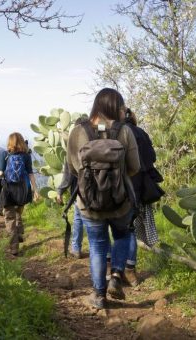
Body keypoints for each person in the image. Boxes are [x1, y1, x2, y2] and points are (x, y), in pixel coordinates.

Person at [67, 88, 140, 309]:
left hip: (89, 204)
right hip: (120, 201)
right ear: (114, 107)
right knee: (122, 236)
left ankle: (99, 295)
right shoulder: (124, 131)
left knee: (98, 246)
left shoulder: (78, 131)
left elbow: (72, 168)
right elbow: (135, 167)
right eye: (121, 107)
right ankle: (116, 275)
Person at [122, 108, 161, 286]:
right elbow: (152, 157)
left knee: (115, 229)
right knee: (129, 229)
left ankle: (114, 271)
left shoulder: (116, 132)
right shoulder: (142, 133)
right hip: (139, 189)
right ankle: (131, 272)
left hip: (120, 188)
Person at [0, 132, 39, 256]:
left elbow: (0, 173)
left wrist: (2, 173)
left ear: (9, 142)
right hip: (23, 189)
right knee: (18, 212)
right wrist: (35, 189)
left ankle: (14, 247)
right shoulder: (26, 156)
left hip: (9, 190)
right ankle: (19, 231)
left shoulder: (5, 154)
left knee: (9, 217)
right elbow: (31, 173)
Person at [57, 161, 84, 259]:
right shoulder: (98, 146)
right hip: (100, 193)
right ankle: (106, 252)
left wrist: (59, 191)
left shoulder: (74, 148)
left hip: (80, 193)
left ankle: (76, 249)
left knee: (78, 219)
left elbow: (68, 177)